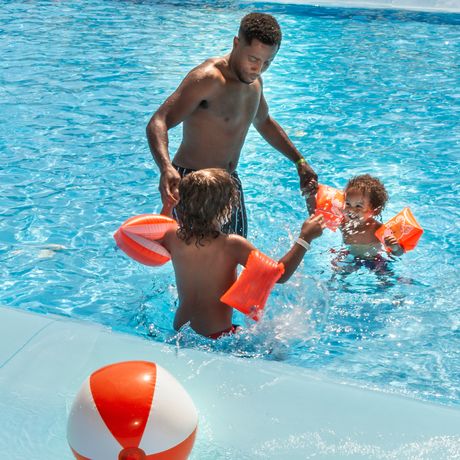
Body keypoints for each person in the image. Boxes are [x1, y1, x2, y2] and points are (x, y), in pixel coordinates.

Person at [146, 12, 318, 238]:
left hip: (229, 184)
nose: (258, 68)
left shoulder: (255, 83)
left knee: (233, 263)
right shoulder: (209, 78)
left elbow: (264, 122)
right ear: (236, 43)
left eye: (267, 62)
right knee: (198, 266)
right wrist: (165, 167)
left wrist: (299, 161)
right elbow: (158, 122)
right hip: (194, 183)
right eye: (254, 59)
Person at [160, 168, 324, 339]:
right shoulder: (231, 245)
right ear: (227, 208)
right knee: (276, 345)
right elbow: (278, 275)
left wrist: (168, 206)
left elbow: (157, 232)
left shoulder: (172, 236)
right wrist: (305, 238)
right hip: (217, 334)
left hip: (180, 329)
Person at [340, 174, 404, 258]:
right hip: (349, 254)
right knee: (337, 268)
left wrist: (395, 248)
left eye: (358, 206)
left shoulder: (379, 230)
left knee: (384, 271)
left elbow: (398, 253)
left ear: (374, 210)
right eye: (348, 204)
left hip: (373, 259)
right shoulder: (342, 223)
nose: (351, 210)